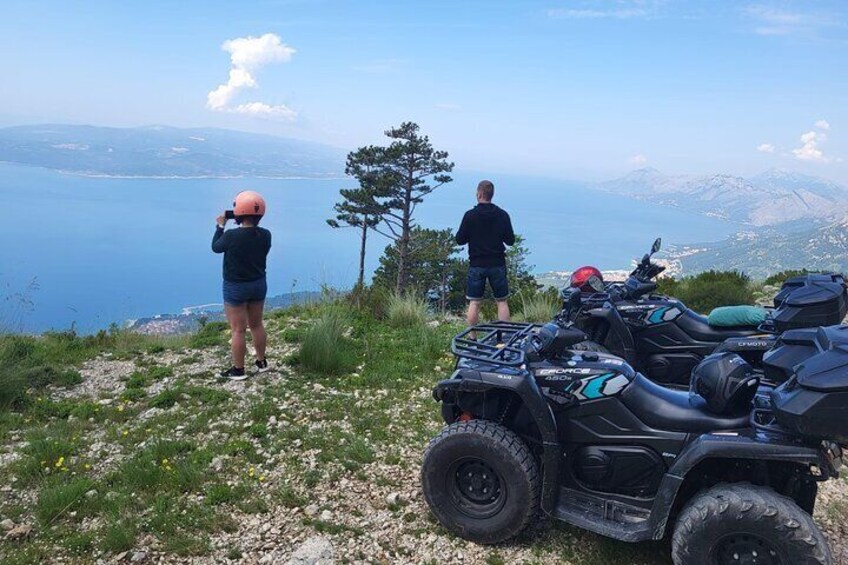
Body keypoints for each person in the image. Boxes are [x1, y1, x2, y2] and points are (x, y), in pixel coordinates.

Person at [212, 190, 272, 380]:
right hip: (258, 284)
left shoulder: (231, 236)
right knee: (256, 324)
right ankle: (261, 363)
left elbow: (216, 247)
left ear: (238, 212)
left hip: (236, 287)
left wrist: (219, 226)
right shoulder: (266, 235)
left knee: (238, 329)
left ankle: (238, 370)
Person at [455, 179, 515, 329]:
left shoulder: (470, 216)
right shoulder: (502, 215)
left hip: (477, 264)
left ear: (479, 194)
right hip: (497, 263)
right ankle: (504, 338)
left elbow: (459, 240)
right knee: (501, 301)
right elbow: (510, 241)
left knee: (474, 302)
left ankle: (472, 337)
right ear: (491, 195)